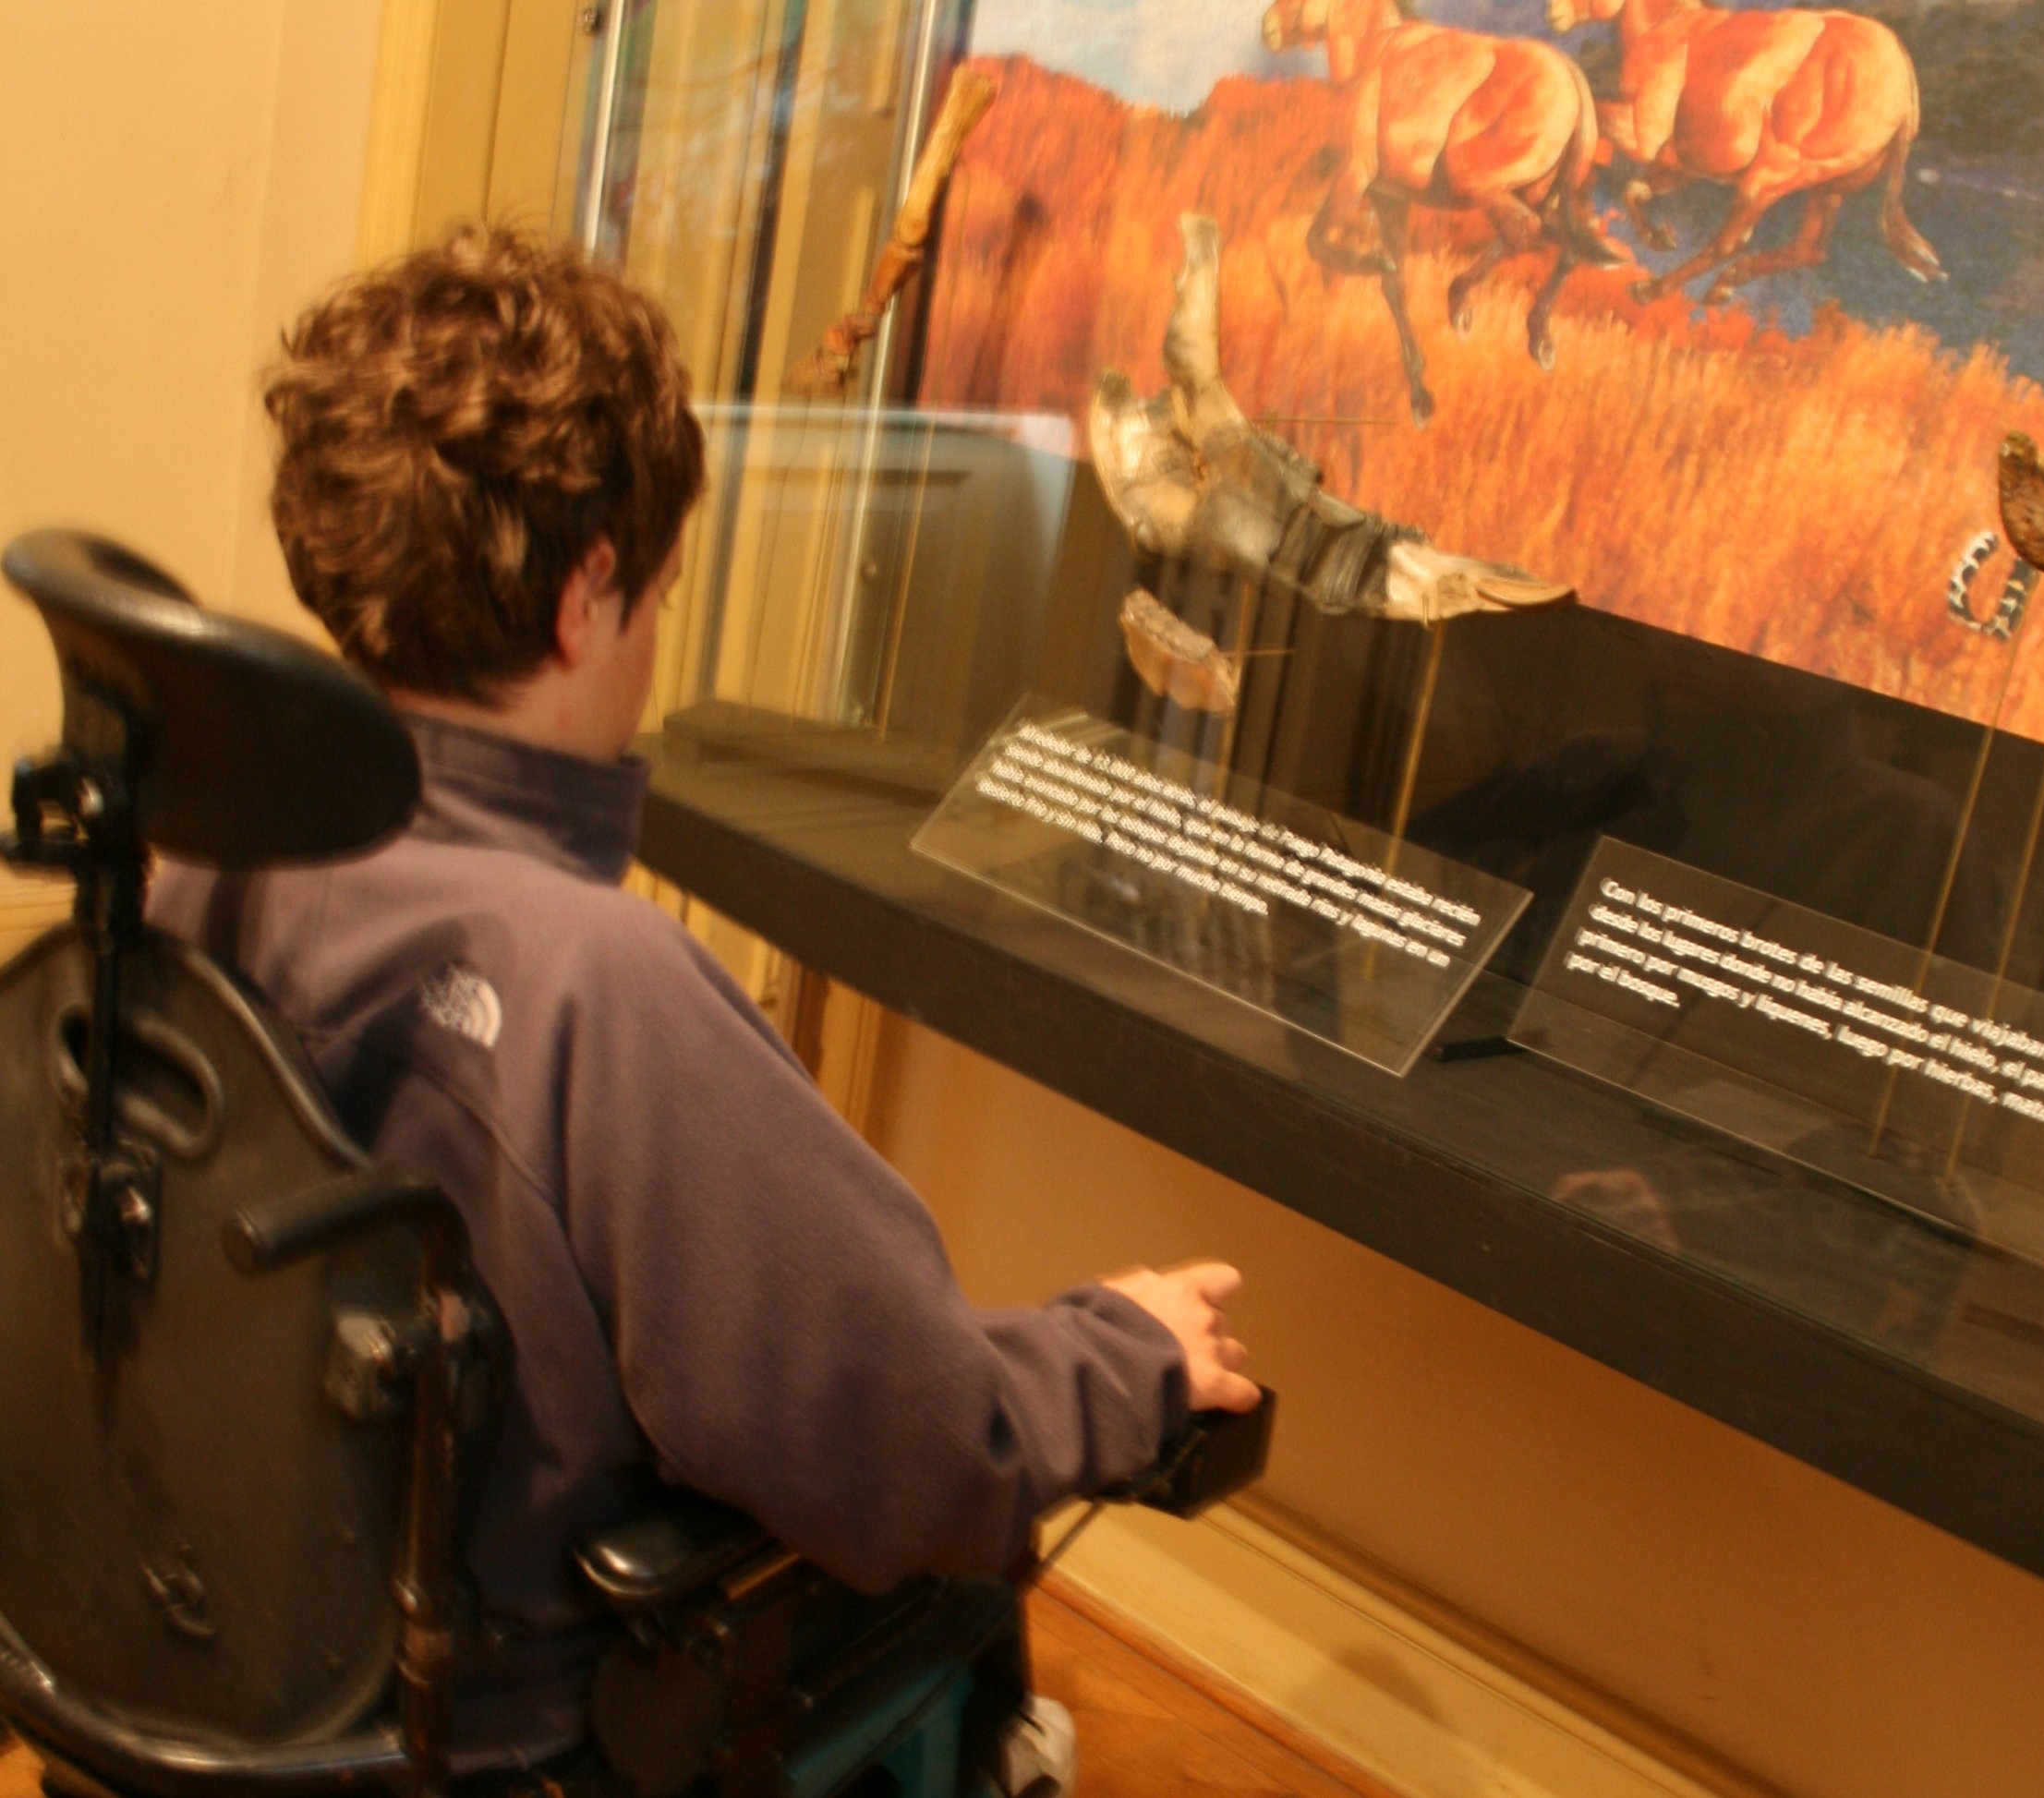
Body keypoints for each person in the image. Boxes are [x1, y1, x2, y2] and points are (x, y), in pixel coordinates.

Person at [147, 225, 1258, 1780]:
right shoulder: (596, 987)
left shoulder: (203, 859)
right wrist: (1115, 1357)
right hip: (509, 1739)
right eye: (660, 596)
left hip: (210, 1671)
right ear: (588, 597)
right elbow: (911, 1449)